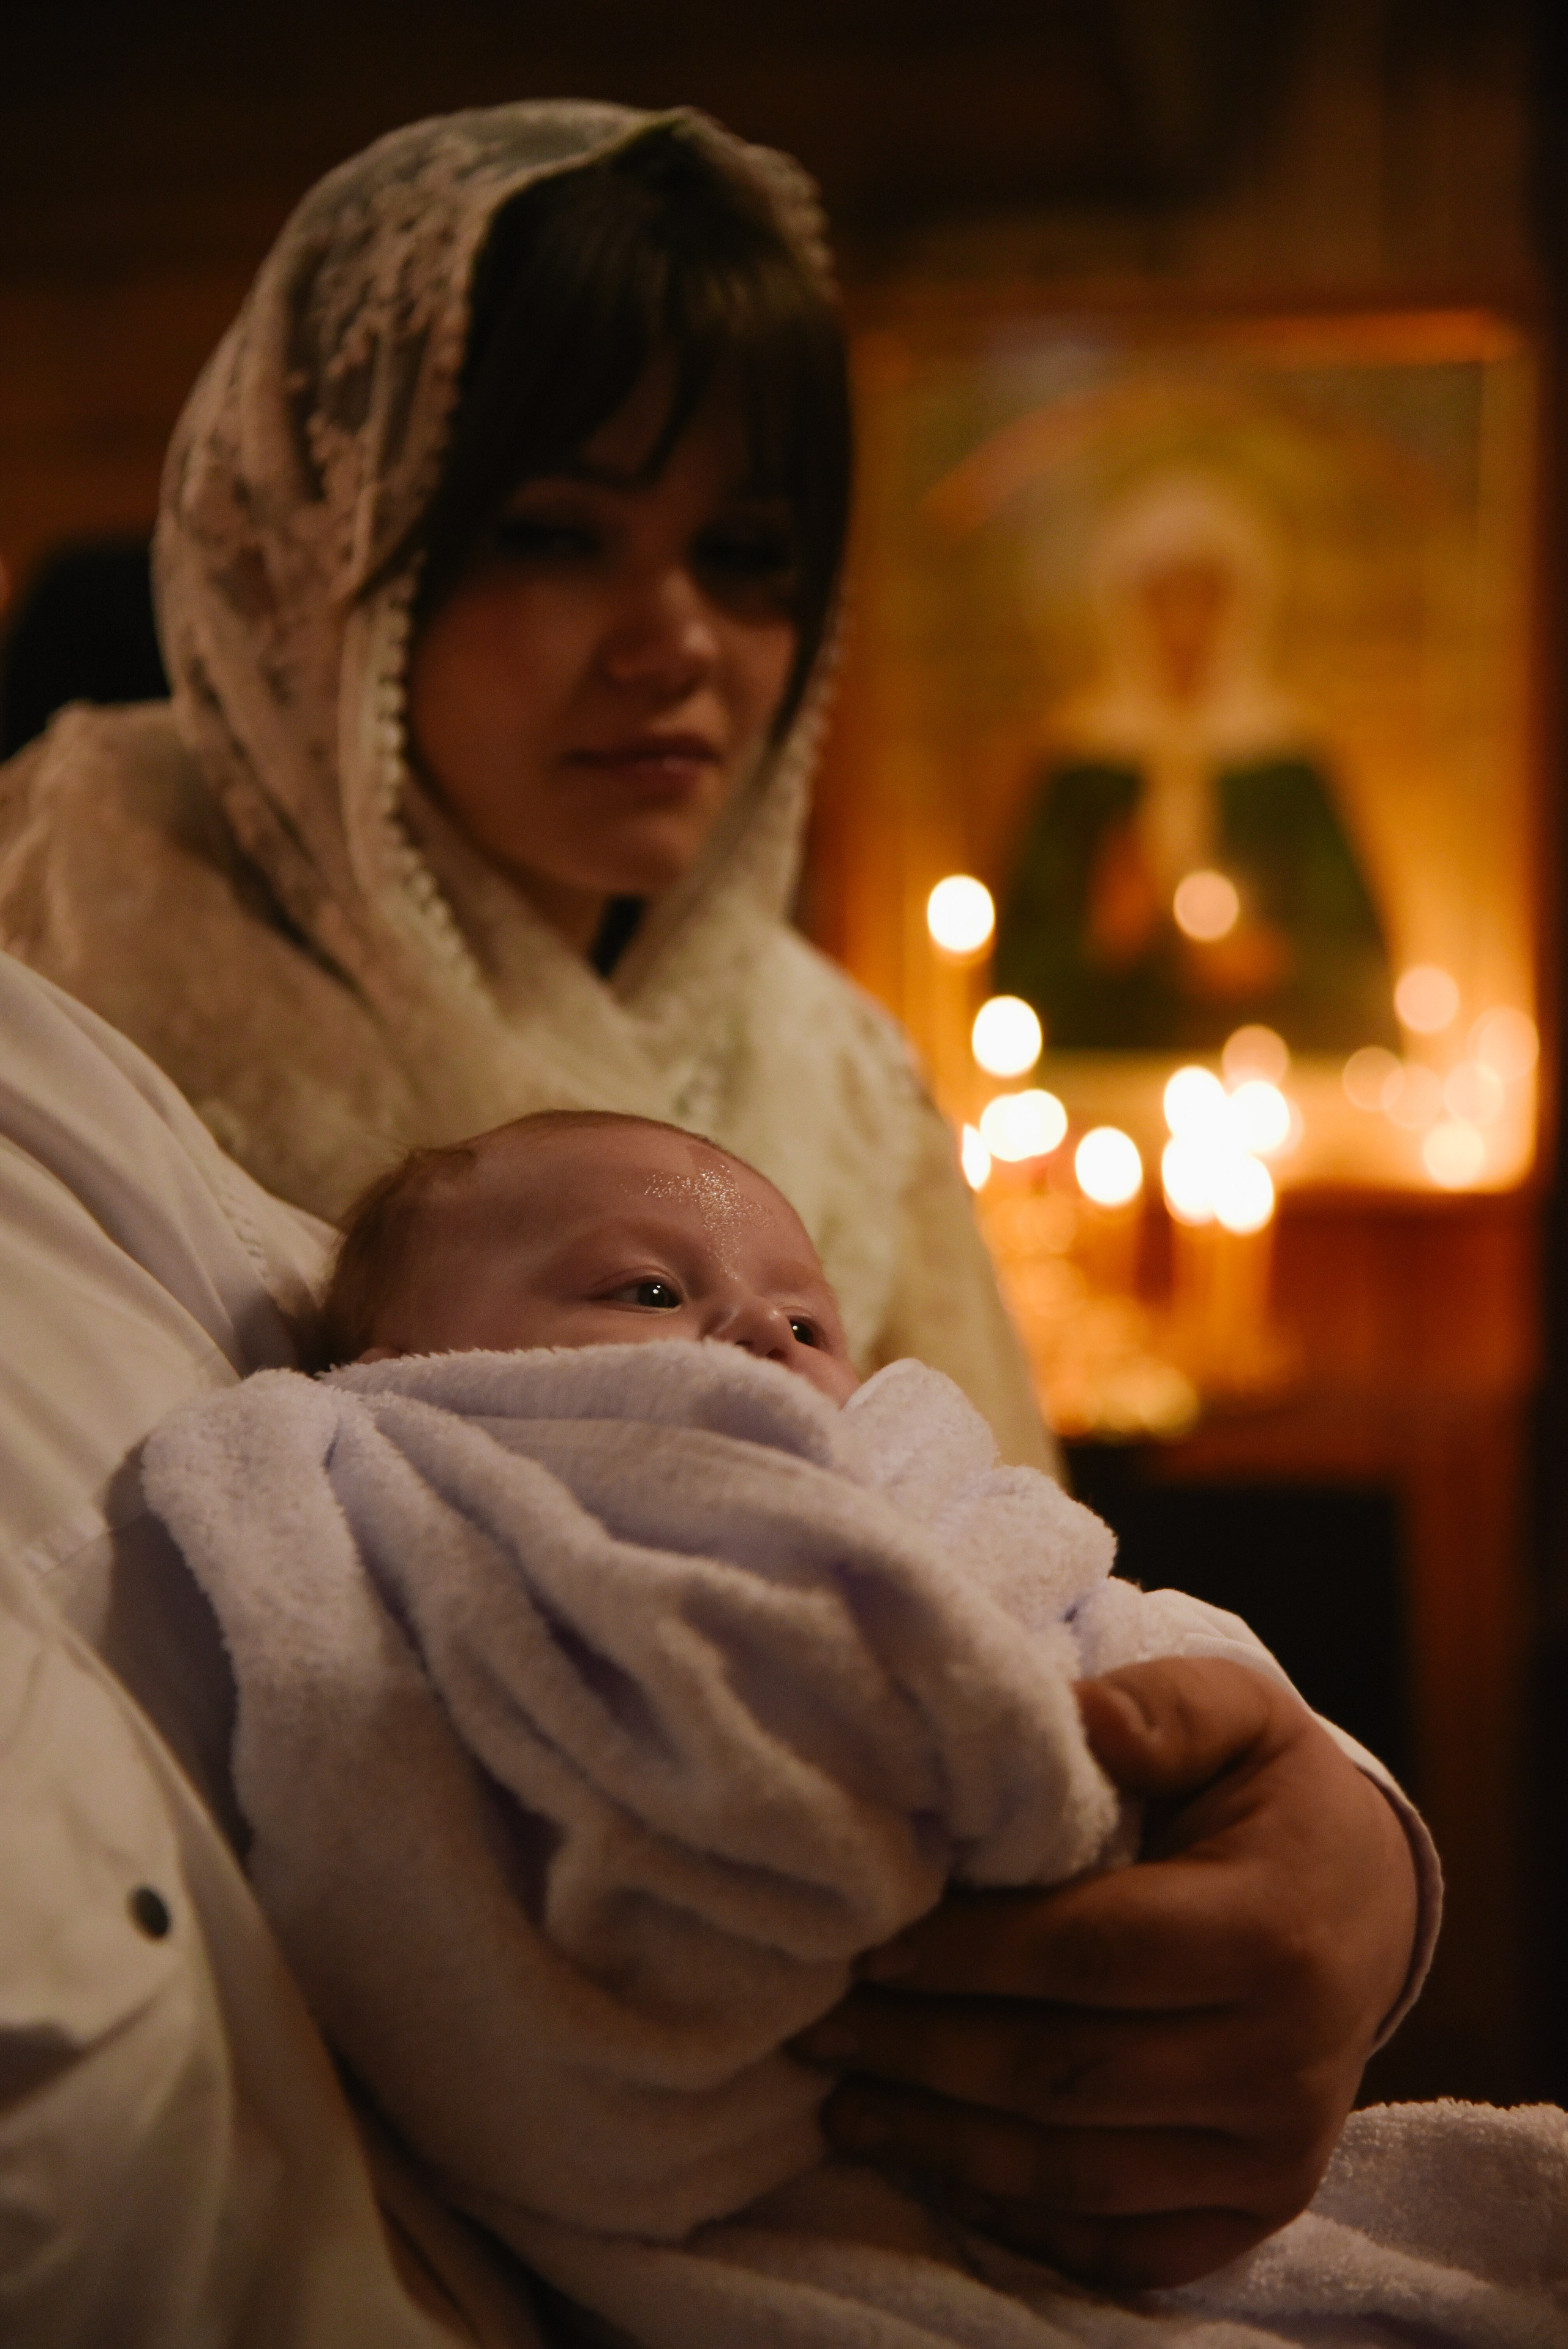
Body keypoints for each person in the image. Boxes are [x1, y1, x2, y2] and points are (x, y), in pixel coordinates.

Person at [0, 104, 1426, 2295]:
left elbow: (1009, 1579)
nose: (677, 640)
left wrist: (1348, 1865)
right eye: (555, 535)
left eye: (747, 556)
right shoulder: (65, 907)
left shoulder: (830, 1059)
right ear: (329, 551)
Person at [138, 1106, 1517, 2348]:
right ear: (408, 1368)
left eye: (808, 1324)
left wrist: (1346, 1830)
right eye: (652, 1290)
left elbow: (1107, 1604)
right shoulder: (394, 1490)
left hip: (1086, 2093)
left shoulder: (914, 1456)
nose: (756, 1338)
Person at [994, 471, 1398, 1054]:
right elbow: (1012, 978)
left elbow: (1363, 970)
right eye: (1162, 598)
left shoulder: (1286, 763)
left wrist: (1274, 957)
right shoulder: (1081, 766)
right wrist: (1100, 938)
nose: (1184, 626)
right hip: (1101, 1081)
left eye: (1204, 596)